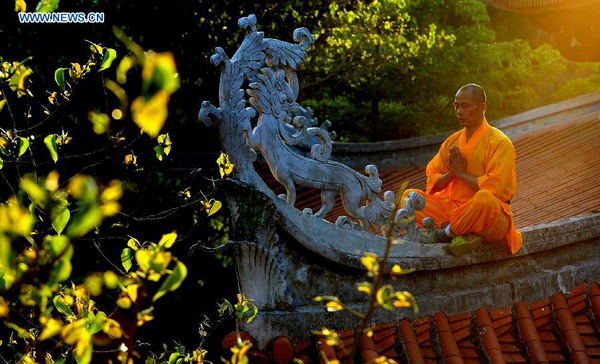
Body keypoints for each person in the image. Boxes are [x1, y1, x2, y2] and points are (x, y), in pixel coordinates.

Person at [403, 83, 522, 256]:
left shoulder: (499, 142)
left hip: (487, 216)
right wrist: (452, 173)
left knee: (485, 199)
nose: (459, 111)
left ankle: (445, 233)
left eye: (465, 106)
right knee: (409, 198)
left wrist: (461, 174)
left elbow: (495, 188)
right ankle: (461, 230)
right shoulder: (452, 141)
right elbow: (434, 178)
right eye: (456, 106)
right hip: (454, 210)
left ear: (482, 108)